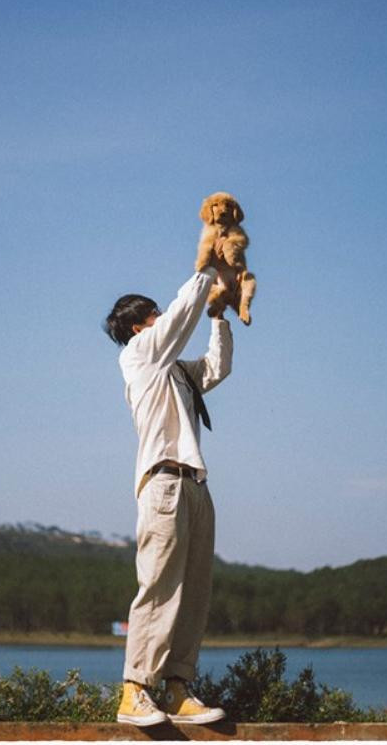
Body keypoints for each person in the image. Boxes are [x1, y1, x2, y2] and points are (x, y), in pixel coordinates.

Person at [102, 265, 232, 726]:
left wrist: (218, 315)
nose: (163, 316)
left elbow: (217, 368)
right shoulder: (140, 355)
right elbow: (180, 318)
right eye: (154, 313)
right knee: (159, 586)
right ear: (139, 327)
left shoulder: (174, 368)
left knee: (194, 591)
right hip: (163, 483)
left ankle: (177, 689)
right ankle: (135, 689)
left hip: (195, 482)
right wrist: (205, 272)